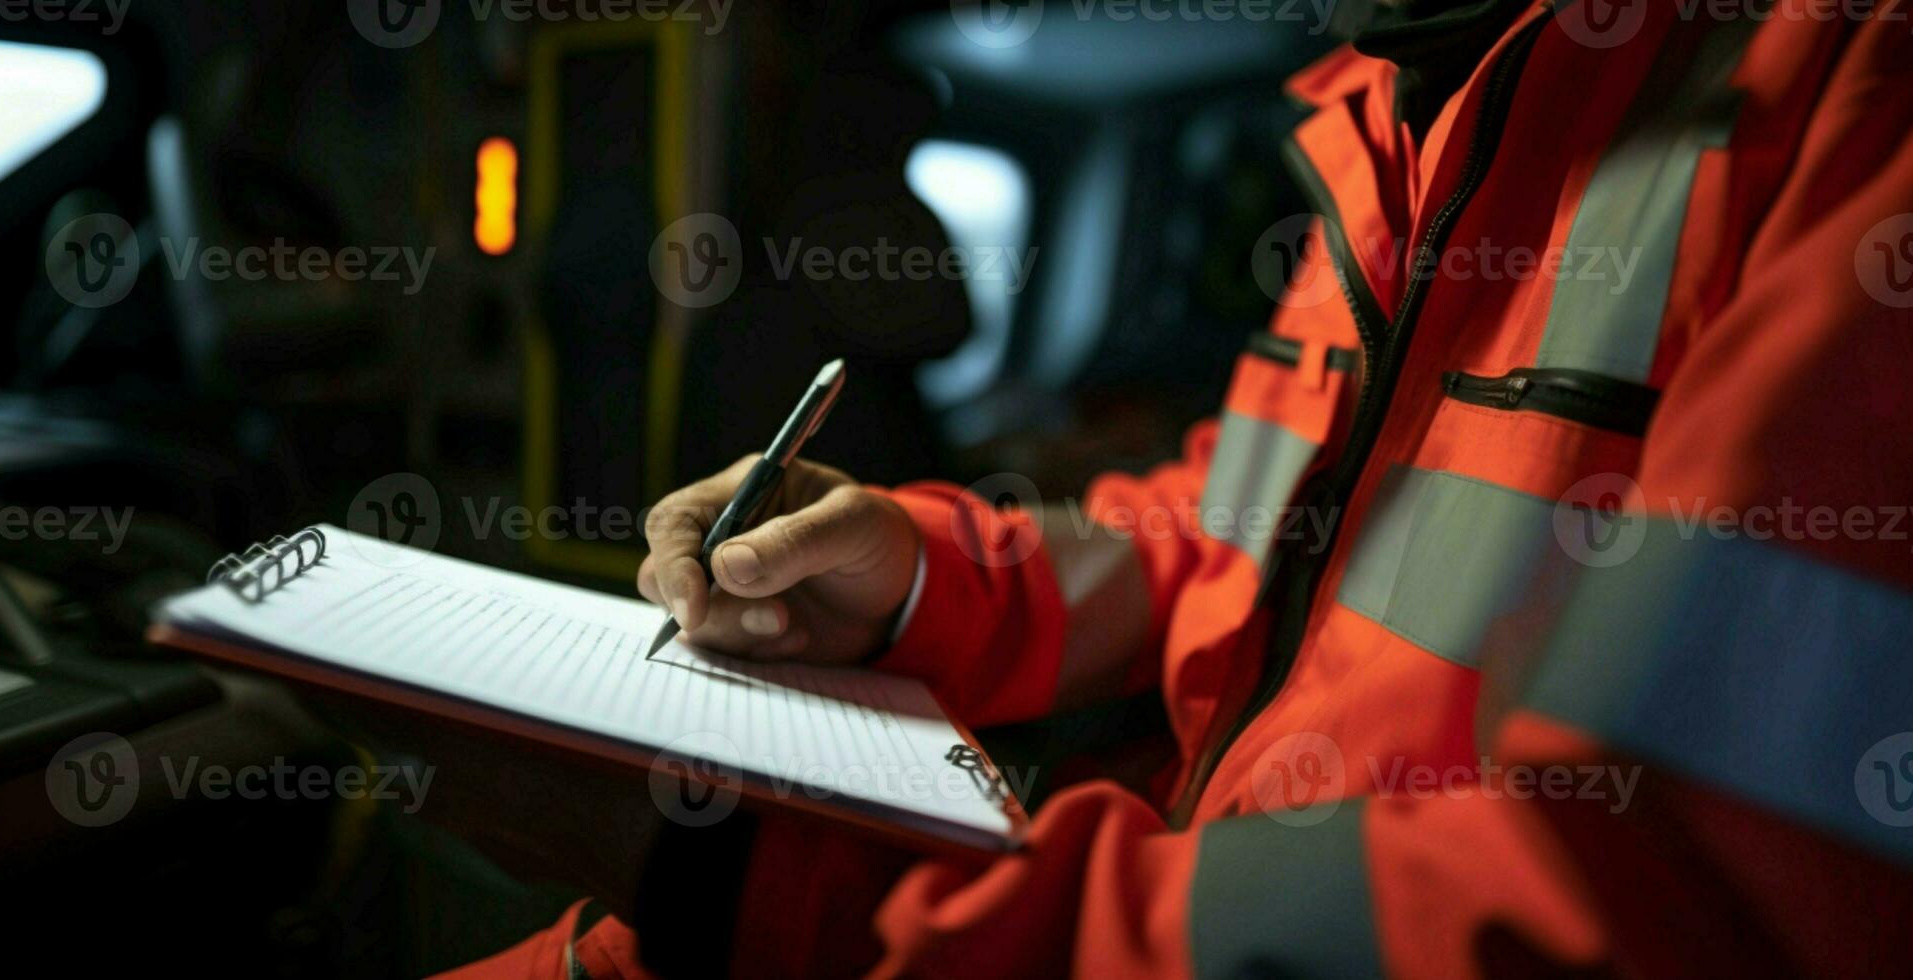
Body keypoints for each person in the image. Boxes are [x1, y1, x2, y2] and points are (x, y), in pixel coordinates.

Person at [448, 0, 1913, 975]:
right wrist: (917, 570)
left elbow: (1681, 895)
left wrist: (781, 894)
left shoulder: (1853, 96)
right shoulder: (1397, 110)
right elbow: (1229, 529)